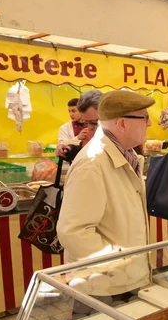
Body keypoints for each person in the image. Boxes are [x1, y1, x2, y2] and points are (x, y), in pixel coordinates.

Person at [57, 90, 154, 264]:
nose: (150, 123)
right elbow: (73, 232)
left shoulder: (128, 155)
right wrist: (120, 261)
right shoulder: (91, 164)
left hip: (120, 280)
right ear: (122, 123)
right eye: (145, 117)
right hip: (105, 285)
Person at [56, 90, 103, 161]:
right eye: (86, 123)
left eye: (94, 123)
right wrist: (68, 149)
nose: (71, 114)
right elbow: (83, 149)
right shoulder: (65, 127)